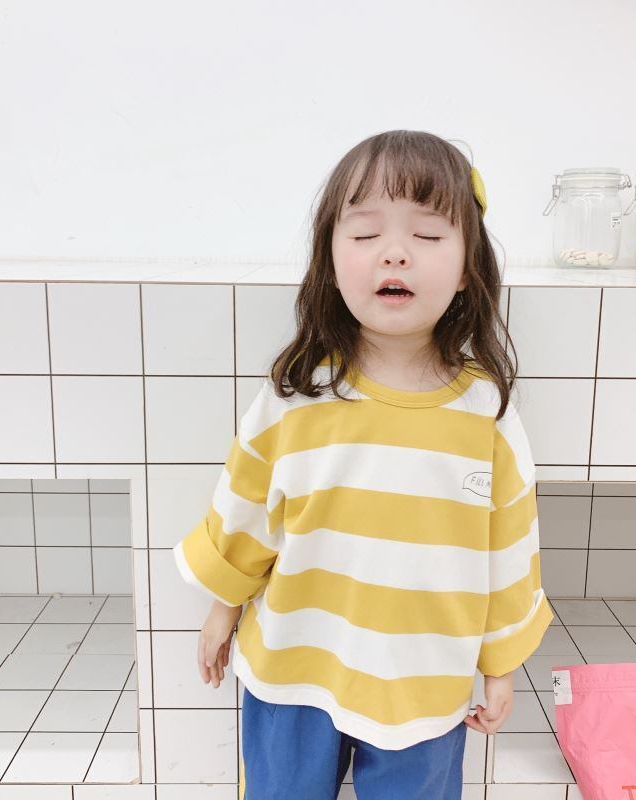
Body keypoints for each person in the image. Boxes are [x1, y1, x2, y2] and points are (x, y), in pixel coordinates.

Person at [173, 129, 554, 799]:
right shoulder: (297, 395)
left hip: (423, 682)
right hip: (295, 665)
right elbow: (246, 510)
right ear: (330, 257)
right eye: (365, 232)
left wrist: (501, 665)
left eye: (427, 235)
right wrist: (221, 610)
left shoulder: (485, 415)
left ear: (468, 265)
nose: (395, 252)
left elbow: (509, 550)